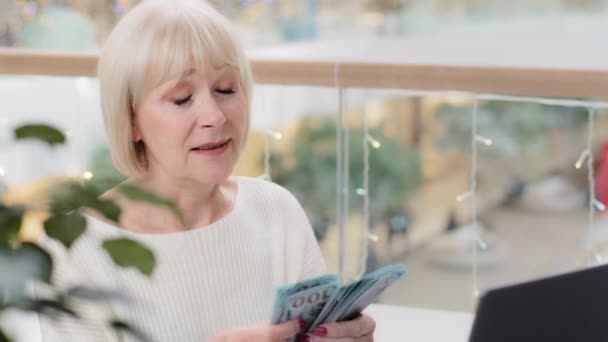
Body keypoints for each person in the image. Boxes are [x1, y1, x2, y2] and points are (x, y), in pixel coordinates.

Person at [37, 0, 376, 341]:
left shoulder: (276, 210)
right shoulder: (76, 250)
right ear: (131, 120)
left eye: (226, 89)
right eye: (182, 98)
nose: (214, 116)